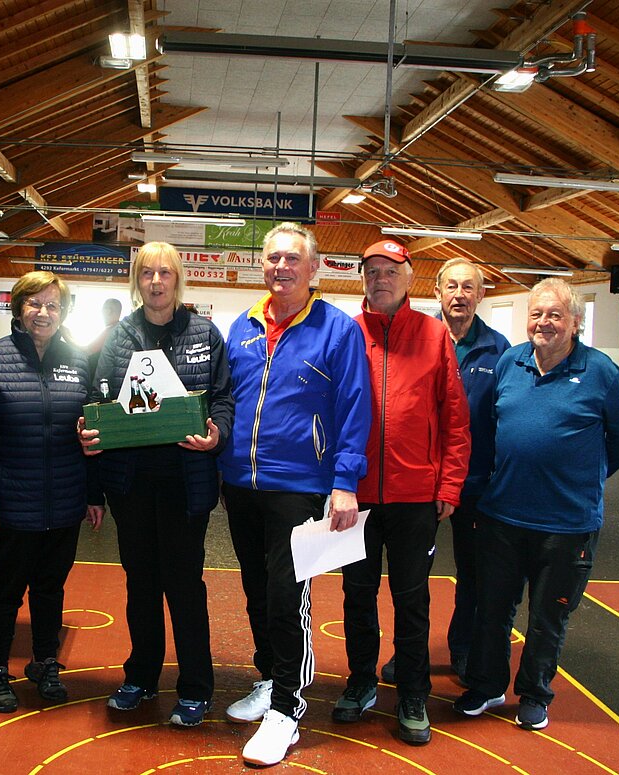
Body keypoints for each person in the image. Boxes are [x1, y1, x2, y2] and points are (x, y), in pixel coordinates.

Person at [218, 223, 372, 767]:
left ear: (313, 268)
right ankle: (269, 678)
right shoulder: (243, 326)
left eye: (292, 258)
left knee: (288, 596)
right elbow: (227, 400)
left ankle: (287, 709)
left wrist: (345, 481)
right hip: (241, 483)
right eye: (273, 258)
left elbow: (355, 408)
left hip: (300, 485)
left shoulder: (337, 330)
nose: (281, 266)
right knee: (256, 589)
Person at [454, 277, 619, 731]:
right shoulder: (510, 361)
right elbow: (492, 426)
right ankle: (487, 685)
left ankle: (535, 694)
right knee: (492, 610)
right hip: (501, 515)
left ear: (575, 322)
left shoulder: (601, 372)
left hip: (567, 524)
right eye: (536, 313)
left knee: (547, 617)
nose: (544, 322)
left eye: (555, 314)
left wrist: (580, 478)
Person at [83, 241, 233, 728]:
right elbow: (100, 399)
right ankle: (141, 676)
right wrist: (90, 428)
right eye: (147, 272)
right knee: (141, 584)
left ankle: (196, 687)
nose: (156, 281)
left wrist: (217, 433)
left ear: (178, 279)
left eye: (165, 272)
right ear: (137, 281)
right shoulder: (119, 336)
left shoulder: (204, 333)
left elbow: (223, 398)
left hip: (185, 484)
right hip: (131, 484)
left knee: (184, 586)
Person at [336, 239, 470, 747]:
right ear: (363, 279)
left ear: (410, 278)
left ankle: (413, 693)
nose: (381, 279)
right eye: (372, 271)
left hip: (416, 495)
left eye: (391, 271)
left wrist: (449, 483)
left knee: (412, 600)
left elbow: (455, 418)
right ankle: (361, 681)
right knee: (357, 594)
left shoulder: (434, 336)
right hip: (357, 496)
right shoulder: (347, 333)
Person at [0, 271, 105, 713]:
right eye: (35, 303)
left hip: (65, 501)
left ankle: (44, 663)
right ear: (19, 307)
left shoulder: (79, 361)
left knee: (50, 590)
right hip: (12, 504)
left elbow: (93, 433)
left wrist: (94, 495)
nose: (44, 313)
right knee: (5, 594)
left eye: (53, 305)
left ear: (63, 313)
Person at [378, 257, 511, 684]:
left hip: (476, 485)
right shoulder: (420, 337)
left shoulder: (500, 350)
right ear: (437, 292)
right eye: (451, 286)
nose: (459, 295)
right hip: (422, 483)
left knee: (473, 574)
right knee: (412, 579)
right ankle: (409, 653)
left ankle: (463, 648)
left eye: (469, 287)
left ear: (481, 294)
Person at [85, 297, 122, 376]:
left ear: (108, 311)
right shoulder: (120, 329)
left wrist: (67, 336)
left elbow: (88, 351)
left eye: (102, 309)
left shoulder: (112, 330)